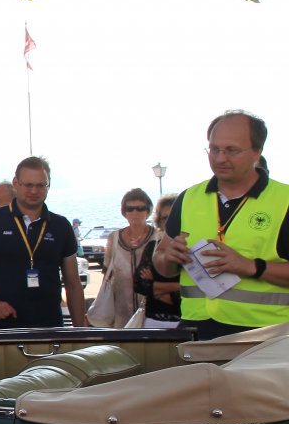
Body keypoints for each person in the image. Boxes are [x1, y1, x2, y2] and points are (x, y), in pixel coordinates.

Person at [154, 110, 289, 339]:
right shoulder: (189, 198)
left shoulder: (284, 200)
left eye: (231, 150)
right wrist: (168, 258)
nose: (219, 158)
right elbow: (160, 262)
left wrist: (251, 267)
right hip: (196, 331)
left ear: (257, 151)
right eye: (214, 149)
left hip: (267, 335)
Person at [0, 156, 87, 328]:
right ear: (16, 183)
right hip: (1, 327)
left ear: (48, 185)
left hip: (49, 326)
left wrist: (79, 331)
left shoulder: (61, 226)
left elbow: (73, 284)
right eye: (28, 185)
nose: (34, 190)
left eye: (40, 185)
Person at [89, 188, 154, 327]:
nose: (135, 212)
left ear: (148, 210)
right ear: (124, 212)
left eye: (140, 208)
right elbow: (106, 274)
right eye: (130, 209)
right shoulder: (114, 238)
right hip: (121, 311)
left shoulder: (158, 237)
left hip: (151, 311)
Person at [135, 193, 183, 328]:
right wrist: (177, 286)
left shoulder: (193, 249)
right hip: (153, 322)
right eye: (165, 218)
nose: (169, 222)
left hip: (185, 321)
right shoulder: (152, 247)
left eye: (174, 217)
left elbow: (192, 292)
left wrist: (155, 286)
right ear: (159, 221)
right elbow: (139, 285)